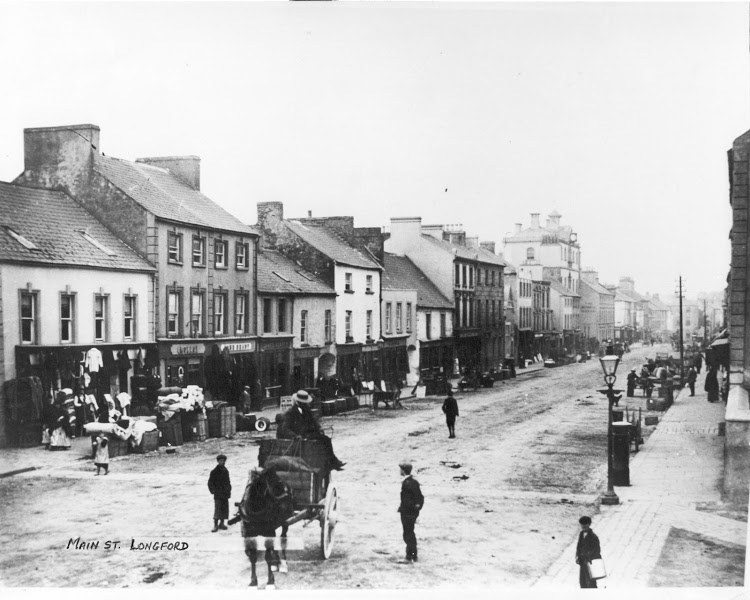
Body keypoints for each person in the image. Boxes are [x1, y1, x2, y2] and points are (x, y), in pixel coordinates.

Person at [277, 390, 345, 470]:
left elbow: (313, 421)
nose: (307, 404)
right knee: (325, 440)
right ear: (299, 402)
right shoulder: (290, 413)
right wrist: (295, 436)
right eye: (305, 402)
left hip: (307, 434)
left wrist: (319, 428)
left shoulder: (306, 410)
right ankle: (333, 463)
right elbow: (285, 428)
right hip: (300, 436)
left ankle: (332, 462)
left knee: (325, 439)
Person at [398, 461, 424, 563]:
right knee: (409, 533)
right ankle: (413, 555)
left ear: (404, 471)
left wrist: (413, 510)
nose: (399, 471)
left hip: (407, 513)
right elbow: (420, 498)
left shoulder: (408, 483)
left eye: (401, 469)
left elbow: (417, 499)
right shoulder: (412, 482)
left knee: (408, 534)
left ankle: (410, 556)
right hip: (408, 512)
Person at [575, 515, 602, 588]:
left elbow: (597, 550)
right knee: (582, 581)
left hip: (590, 562)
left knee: (591, 582)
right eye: (582, 525)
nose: (583, 526)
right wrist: (577, 556)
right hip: (582, 562)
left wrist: (588, 557)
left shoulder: (593, 537)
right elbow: (579, 546)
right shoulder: (581, 534)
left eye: (585, 525)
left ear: (589, 524)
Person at [208, 454, 232, 532]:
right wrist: (213, 491)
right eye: (220, 461)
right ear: (218, 461)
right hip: (218, 494)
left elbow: (228, 482)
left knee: (224, 509)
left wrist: (229, 490)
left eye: (223, 461)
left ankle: (222, 524)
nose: (222, 462)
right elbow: (210, 483)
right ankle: (215, 525)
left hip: (225, 493)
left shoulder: (226, 471)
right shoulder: (214, 472)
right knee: (217, 509)